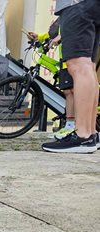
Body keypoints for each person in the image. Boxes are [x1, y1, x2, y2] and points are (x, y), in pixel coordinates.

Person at [42, 0, 99, 154]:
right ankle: (90, 133)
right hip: (90, 5)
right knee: (88, 66)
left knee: (79, 65)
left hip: (76, 4)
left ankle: (83, 136)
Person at [28, 18, 76, 139]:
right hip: (65, 57)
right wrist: (38, 37)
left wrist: (61, 36)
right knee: (68, 91)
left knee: (71, 92)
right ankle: (70, 125)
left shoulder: (73, 10)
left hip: (73, 56)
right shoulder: (64, 15)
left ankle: (71, 126)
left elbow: (75, 27)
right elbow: (53, 34)